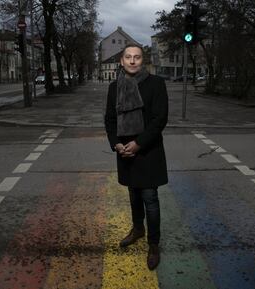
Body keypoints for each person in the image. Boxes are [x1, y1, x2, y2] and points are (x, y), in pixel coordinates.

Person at [104, 43, 168, 270]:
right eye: (128, 57)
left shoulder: (156, 84)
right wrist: (117, 144)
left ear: (143, 61)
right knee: (133, 193)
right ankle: (138, 229)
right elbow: (110, 119)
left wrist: (138, 143)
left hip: (147, 150)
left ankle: (153, 244)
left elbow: (159, 119)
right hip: (125, 151)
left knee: (150, 197)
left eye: (137, 57)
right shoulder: (114, 87)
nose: (132, 61)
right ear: (121, 61)